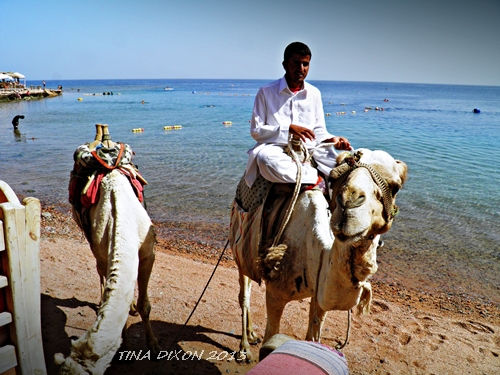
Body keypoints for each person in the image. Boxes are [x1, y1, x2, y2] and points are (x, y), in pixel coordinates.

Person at [245, 41, 351, 189]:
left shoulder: (314, 93)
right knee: (265, 160)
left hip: (310, 148)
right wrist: (288, 129)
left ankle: (306, 177)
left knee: (349, 165)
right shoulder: (266, 91)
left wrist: (332, 139)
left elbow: (318, 130)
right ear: (285, 64)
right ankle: (315, 179)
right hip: (276, 147)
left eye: (305, 64)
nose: (301, 69)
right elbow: (256, 131)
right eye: (296, 63)